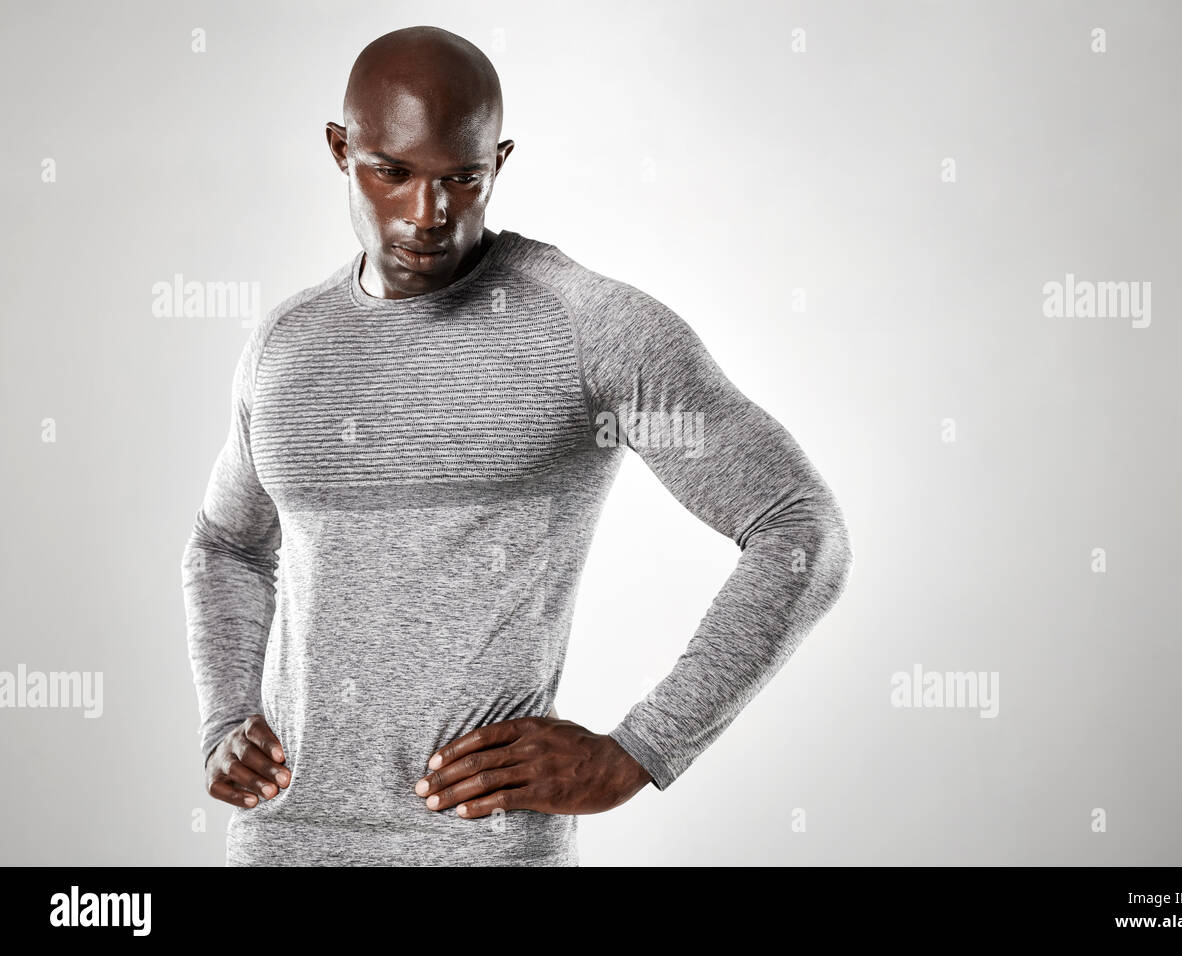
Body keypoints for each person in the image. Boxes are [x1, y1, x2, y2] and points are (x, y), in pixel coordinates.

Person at [181, 25, 853, 866]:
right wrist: (225, 714)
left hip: (479, 850)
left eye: (462, 178)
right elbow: (226, 545)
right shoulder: (287, 345)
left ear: (498, 161)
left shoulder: (588, 326)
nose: (430, 214)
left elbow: (801, 528)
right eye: (393, 173)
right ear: (340, 150)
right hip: (281, 841)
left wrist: (641, 749)